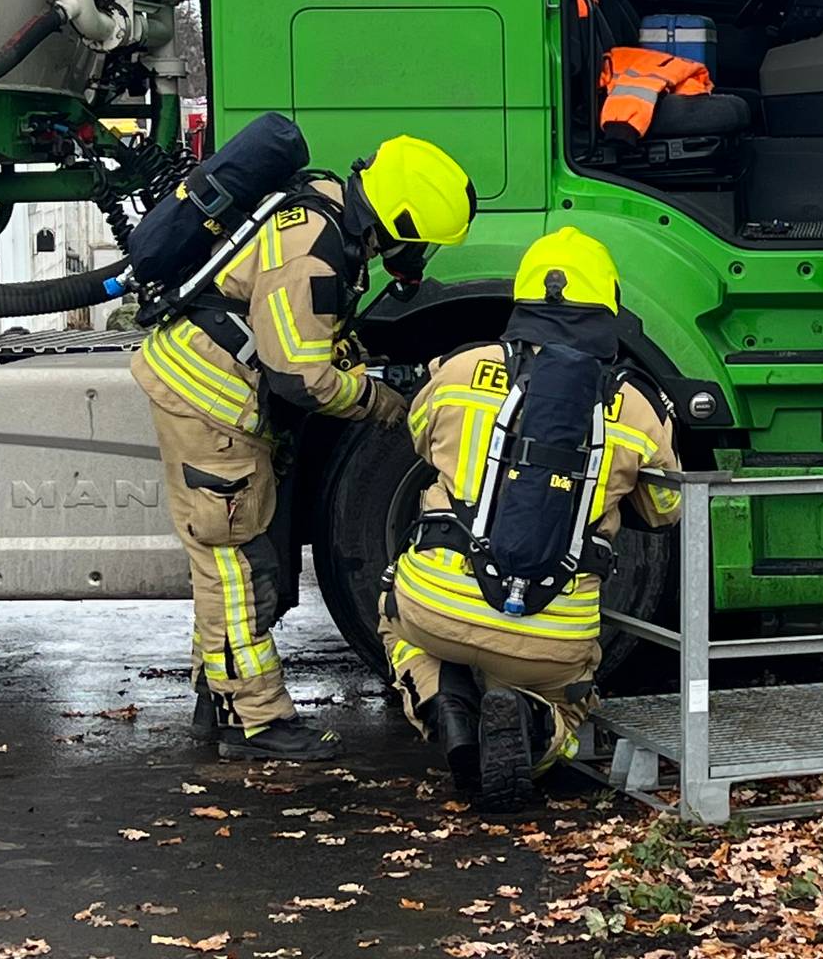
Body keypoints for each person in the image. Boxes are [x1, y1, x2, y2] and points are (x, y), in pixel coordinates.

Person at [130, 134, 477, 762]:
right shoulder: (314, 250)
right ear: (399, 221)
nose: (417, 256)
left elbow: (304, 336)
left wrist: (374, 367)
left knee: (237, 557)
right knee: (232, 560)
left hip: (216, 392)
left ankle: (217, 696)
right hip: (209, 400)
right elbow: (300, 375)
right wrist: (383, 403)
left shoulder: (321, 212)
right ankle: (255, 720)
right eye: (419, 240)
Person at [382, 228, 679, 810]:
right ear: (608, 305)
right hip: (555, 634)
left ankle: (447, 712)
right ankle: (534, 723)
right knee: (571, 703)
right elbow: (665, 511)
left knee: (394, 611)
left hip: (437, 607)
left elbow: (420, 439)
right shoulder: (636, 405)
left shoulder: (461, 369)